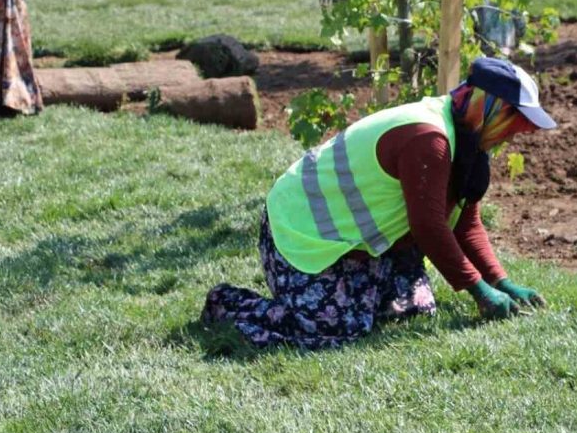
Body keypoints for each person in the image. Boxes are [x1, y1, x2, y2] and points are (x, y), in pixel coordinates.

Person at [203, 58, 557, 349]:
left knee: (413, 311)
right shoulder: (429, 138)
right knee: (336, 330)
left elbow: (464, 222)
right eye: (515, 121)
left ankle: (355, 290)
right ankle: (229, 302)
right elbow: (429, 227)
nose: (515, 134)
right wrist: (478, 291)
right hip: (302, 234)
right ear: (490, 106)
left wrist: (501, 281)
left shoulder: (467, 138)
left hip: (357, 243)